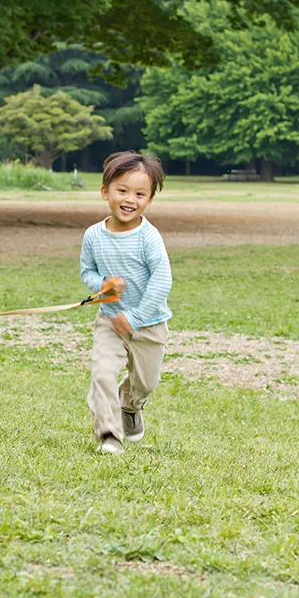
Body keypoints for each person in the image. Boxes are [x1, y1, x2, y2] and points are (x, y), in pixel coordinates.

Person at [80, 151, 172, 455]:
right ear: (105, 191)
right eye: (122, 190)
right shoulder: (93, 235)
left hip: (149, 323)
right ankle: (109, 434)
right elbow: (87, 271)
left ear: (149, 200)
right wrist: (102, 286)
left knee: (146, 382)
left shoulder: (149, 237)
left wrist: (135, 318)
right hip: (110, 320)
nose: (129, 199)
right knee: (102, 373)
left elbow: (162, 280)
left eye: (139, 193)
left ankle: (130, 406)